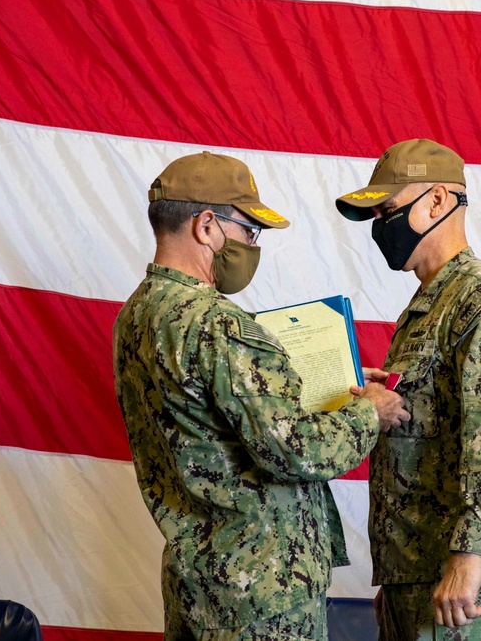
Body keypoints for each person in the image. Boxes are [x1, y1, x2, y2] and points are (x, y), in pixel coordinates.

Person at [113, 150, 410, 641]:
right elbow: (295, 450)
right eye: (249, 231)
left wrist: (331, 386)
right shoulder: (219, 324)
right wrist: (367, 413)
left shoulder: (137, 315)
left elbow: (213, 425)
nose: (252, 245)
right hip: (263, 591)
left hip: (198, 582)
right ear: (206, 225)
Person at [335, 139, 481, 640]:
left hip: (471, 578)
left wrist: (467, 556)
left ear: (436, 201)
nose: (379, 229)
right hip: (421, 572)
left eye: (387, 211)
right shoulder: (430, 306)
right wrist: (398, 576)